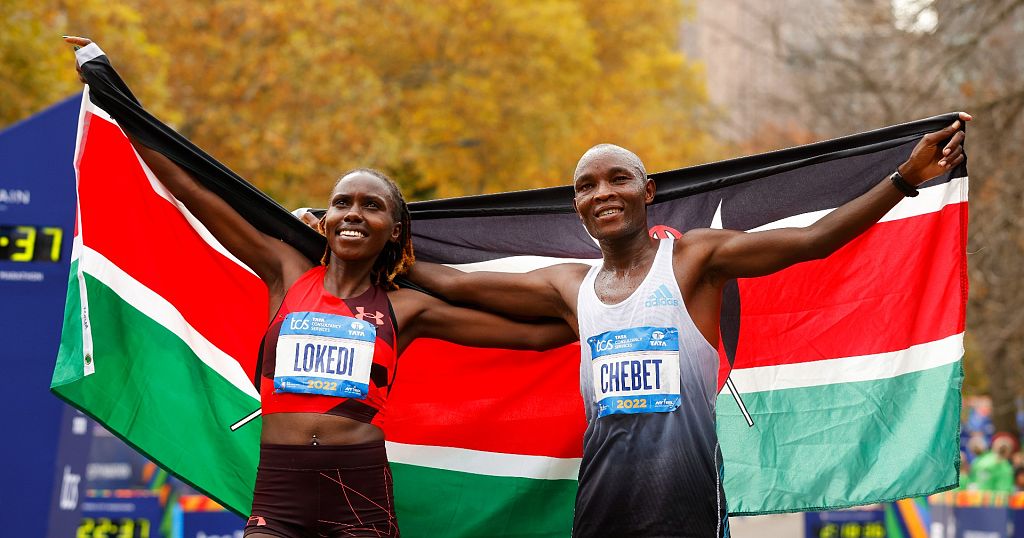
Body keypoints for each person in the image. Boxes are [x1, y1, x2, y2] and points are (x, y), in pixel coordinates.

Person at [65, 37, 576, 538]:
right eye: (343, 203)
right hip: (277, 492)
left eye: (372, 206)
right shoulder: (285, 270)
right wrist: (113, 94)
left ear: (395, 230)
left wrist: (607, 310)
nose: (354, 213)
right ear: (326, 218)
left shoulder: (406, 308)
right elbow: (191, 187)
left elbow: (534, 337)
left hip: (357, 493)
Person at [408, 118, 970, 536]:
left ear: (647, 192)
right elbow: (457, 286)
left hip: (688, 501)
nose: (603, 193)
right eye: (587, 186)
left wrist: (904, 178)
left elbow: (810, 242)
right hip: (602, 502)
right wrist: (381, 257)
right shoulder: (567, 286)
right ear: (577, 206)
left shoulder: (692, 261)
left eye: (618, 179)